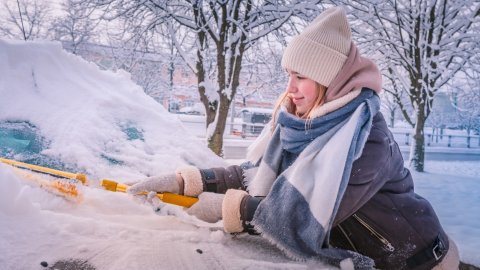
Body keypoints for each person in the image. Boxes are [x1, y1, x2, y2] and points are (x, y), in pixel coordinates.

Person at [128, 6, 459, 270]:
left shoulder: (365, 139)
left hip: (416, 260)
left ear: (330, 81)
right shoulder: (301, 126)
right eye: (289, 75)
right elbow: (254, 176)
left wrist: (230, 209)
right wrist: (188, 181)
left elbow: (307, 215)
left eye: (301, 76)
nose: (290, 88)